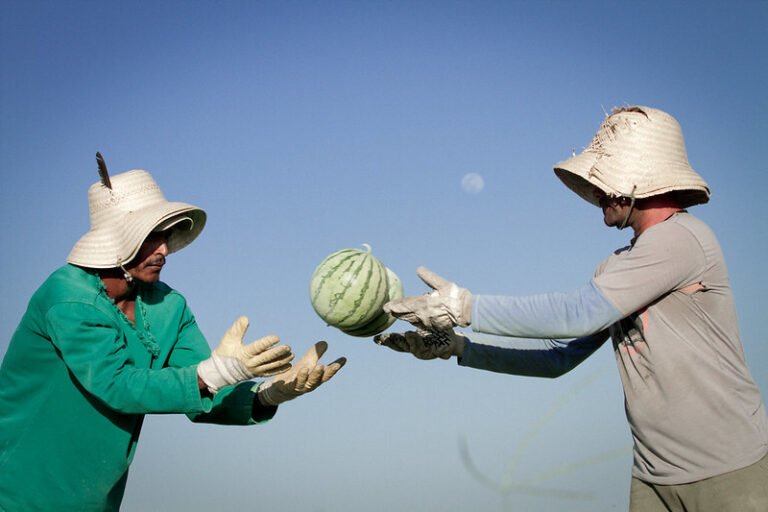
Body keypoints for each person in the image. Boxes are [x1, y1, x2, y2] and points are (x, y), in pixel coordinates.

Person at [376, 106, 768, 512]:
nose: (594, 193)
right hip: (653, 477)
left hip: (728, 470)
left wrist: (465, 307)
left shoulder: (682, 240)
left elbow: (579, 313)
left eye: (601, 180)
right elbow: (558, 360)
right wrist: (459, 348)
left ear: (635, 180)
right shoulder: (617, 268)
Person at [0, 154, 346, 512]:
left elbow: (202, 392)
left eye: (165, 236)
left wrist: (266, 395)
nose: (164, 250)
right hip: (17, 495)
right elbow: (117, 385)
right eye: (151, 237)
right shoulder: (69, 298)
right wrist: (219, 371)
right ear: (115, 240)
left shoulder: (169, 305)